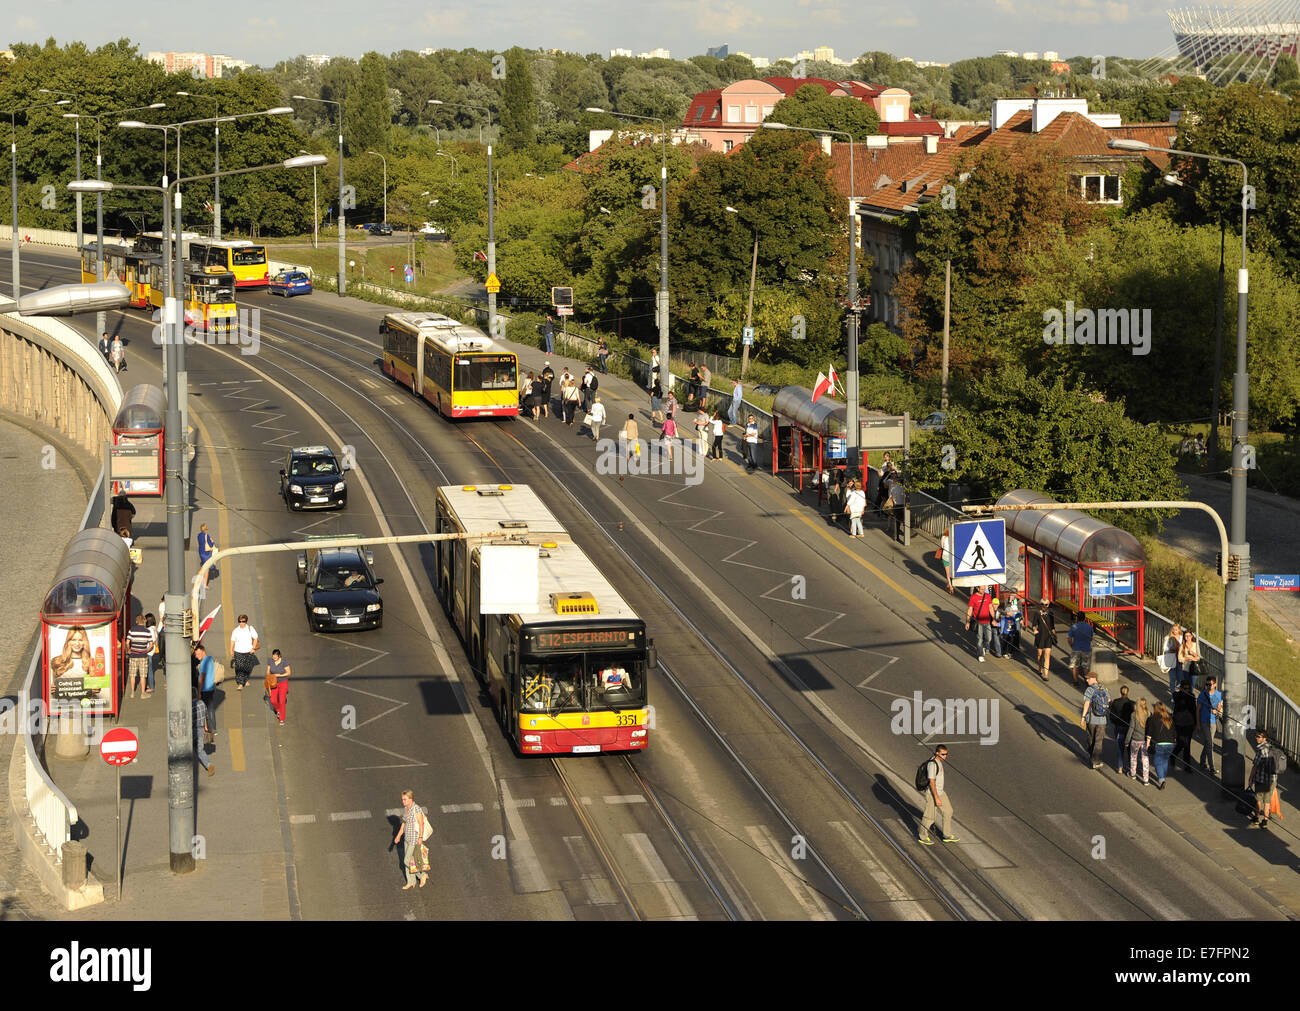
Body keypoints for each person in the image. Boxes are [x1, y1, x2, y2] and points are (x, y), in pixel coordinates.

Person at [916, 744, 957, 845]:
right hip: (932, 793)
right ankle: (923, 836)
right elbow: (932, 782)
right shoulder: (932, 764)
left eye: (946, 754)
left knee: (948, 811)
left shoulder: (939, 761)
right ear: (937, 753)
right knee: (929, 816)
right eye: (943, 754)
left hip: (940, 792)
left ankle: (946, 835)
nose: (945, 756)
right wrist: (936, 798)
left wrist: (940, 794)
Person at [394, 789, 430, 889]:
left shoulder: (416, 809)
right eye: (402, 799)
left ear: (411, 799)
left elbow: (421, 823)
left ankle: (422, 875)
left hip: (414, 838)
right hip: (407, 838)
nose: (403, 801)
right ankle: (411, 882)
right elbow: (404, 823)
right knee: (408, 861)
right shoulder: (406, 809)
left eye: (405, 799)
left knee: (406, 861)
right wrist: (398, 836)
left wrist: (420, 838)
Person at [1247, 730, 1280, 828]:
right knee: (1267, 801)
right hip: (1272, 780)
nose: (1256, 738)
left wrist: (1250, 779)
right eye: (1256, 736)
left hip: (1261, 780)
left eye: (1259, 736)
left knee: (1258, 800)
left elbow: (1255, 766)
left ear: (1264, 739)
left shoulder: (1260, 750)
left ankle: (1256, 818)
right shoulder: (1272, 748)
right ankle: (1265, 821)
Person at [1078, 670, 1111, 769]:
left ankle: (1091, 756)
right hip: (1102, 720)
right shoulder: (1104, 688)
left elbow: (1087, 704)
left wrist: (1083, 717)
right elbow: (1109, 701)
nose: (1086, 680)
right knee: (1099, 741)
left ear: (1093, 679)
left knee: (1090, 738)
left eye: (1088, 678)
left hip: (1092, 719)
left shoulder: (1089, 690)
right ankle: (1096, 761)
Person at [1196, 675, 1223, 775]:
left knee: (1208, 743)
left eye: (1210, 684)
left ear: (1215, 684)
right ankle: (1212, 767)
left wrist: (1217, 711)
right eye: (1206, 684)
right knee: (1210, 744)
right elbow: (1198, 710)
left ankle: (1202, 762)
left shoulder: (1219, 695)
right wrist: (1198, 724)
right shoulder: (1202, 695)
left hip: (1213, 722)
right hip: (1204, 722)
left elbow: (1220, 707)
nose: (1208, 686)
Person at [1146, 702, 1176, 788]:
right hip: (1170, 744)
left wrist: (1147, 744)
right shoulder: (1170, 718)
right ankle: (1162, 776)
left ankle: (1161, 779)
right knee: (1165, 761)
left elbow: (1149, 733)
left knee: (1157, 762)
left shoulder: (1152, 719)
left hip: (1159, 743)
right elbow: (1174, 732)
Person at [125, 613, 155, 700]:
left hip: (133, 655)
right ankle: (143, 693)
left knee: (132, 675)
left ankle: (132, 692)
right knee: (143, 675)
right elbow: (151, 644)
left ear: (136, 621)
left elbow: (127, 642)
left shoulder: (132, 630)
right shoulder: (147, 631)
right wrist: (147, 650)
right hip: (143, 656)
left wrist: (129, 649)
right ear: (144, 621)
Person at [1108, 685, 1135, 774]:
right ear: (1128, 692)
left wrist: (1115, 722)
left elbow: (1111, 715)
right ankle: (1131, 767)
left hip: (1119, 727)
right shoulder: (1132, 703)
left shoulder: (1116, 702)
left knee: (1120, 748)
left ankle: (1120, 767)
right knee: (1129, 748)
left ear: (1120, 692)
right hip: (1128, 727)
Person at [1171, 679, 1197, 772]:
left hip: (1189, 722)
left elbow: (1194, 709)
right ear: (1181, 688)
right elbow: (1179, 703)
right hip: (1179, 723)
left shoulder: (1192, 696)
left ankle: (1187, 765)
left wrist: (1196, 723)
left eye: (1188, 688)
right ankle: (1173, 756)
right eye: (1184, 688)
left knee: (1187, 744)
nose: (1186, 690)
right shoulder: (1177, 695)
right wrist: (1183, 693)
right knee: (1181, 742)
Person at [229, 613, 260, 691]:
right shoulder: (235, 630)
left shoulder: (250, 628)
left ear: (246, 621)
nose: (242, 623)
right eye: (240, 621)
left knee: (247, 667)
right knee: (239, 667)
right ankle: (240, 683)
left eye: (243, 621)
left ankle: (245, 679)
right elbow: (232, 641)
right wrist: (231, 649)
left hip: (248, 651)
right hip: (238, 651)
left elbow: (255, 638)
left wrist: (253, 648)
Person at [965, 585, 995, 662]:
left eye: (984, 589)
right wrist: (967, 622)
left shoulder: (988, 596)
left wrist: (994, 619)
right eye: (982, 589)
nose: (983, 591)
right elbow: (970, 610)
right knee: (979, 639)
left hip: (987, 621)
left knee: (989, 638)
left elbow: (991, 608)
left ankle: (983, 647)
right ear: (977, 588)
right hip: (978, 622)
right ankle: (980, 655)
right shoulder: (973, 597)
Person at [1126, 697, 1151, 784]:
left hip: (1135, 739)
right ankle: (1146, 779)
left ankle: (1133, 774)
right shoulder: (1148, 713)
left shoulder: (1134, 714)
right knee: (1145, 759)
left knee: (1133, 757)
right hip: (1144, 740)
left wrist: (1127, 741)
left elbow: (1131, 728)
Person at [194, 642, 217, 735]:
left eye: (198, 654)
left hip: (204, 689)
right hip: (211, 688)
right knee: (210, 709)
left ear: (203, 651)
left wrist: (199, 692)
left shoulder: (203, 663)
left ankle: (205, 727)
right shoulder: (210, 659)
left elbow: (201, 679)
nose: (196, 656)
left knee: (202, 709)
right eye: (196, 654)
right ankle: (213, 729)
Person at [193, 677, 214, 777]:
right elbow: (205, 716)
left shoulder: (190, 705)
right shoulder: (202, 703)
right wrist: (205, 727)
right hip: (201, 728)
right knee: (200, 748)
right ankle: (208, 764)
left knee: (190, 748)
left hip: (193, 730)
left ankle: (189, 767)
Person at [1067, 616, 1094, 687]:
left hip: (1076, 649)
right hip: (1087, 649)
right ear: (1084, 619)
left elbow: (1069, 639)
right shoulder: (1089, 627)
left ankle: (1076, 682)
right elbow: (1091, 638)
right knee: (1086, 666)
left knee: (1075, 666)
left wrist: (1072, 645)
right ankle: (1087, 682)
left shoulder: (1074, 627)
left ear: (1077, 618)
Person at [1032, 598, 1055, 681]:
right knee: (1039, 654)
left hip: (1048, 637)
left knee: (1047, 655)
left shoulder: (1051, 614)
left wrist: (1054, 635)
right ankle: (1040, 667)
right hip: (1040, 636)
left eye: (1046, 604)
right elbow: (1034, 624)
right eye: (1042, 604)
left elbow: (1052, 626)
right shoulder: (1037, 613)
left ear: (1048, 605)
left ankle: (1046, 674)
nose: (1044, 606)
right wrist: (1035, 630)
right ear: (1040, 604)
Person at [266, 648, 290, 725]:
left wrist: (279, 675)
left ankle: (282, 719)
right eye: (273, 656)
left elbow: (288, 673)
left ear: (279, 656)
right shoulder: (270, 660)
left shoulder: (284, 662)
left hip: (283, 682)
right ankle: (278, 710)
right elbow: (268, 671)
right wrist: (269, 677)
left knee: (282, 701)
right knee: (273, 700)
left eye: (275, 657)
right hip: (274, 683)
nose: (274, 658)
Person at [1160, 622, 1184, 697]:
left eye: (1176, 630)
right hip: (1171, 659)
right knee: (1172, 677)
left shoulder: (1182, 638)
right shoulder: (1168, 638)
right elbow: (1164, 648)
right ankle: (1173, 695)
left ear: (1179, 630)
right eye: (1173, 629)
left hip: (1179, 659)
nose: (1174, 631)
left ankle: (1179, 690)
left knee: (1180, 677)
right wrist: (1171, 648)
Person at [197, 522, 216, 592]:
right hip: (206, 554)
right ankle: (204, 585)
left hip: (201, 552)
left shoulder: (198, 535)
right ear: (206, 529)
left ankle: (199, 578)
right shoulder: (207, 536)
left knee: (203, 566)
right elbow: (211, 545)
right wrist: (212, 541)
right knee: (207, 569)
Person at [144, 612, 159, 696]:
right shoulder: (154, 628)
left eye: (145, 619)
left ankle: (151, 687)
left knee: (149, 670)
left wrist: (145, 650)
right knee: (149, 669)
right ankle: (150, 686)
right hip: (151, 651)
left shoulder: (150, 629)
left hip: (149, 651)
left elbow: (151, 642)